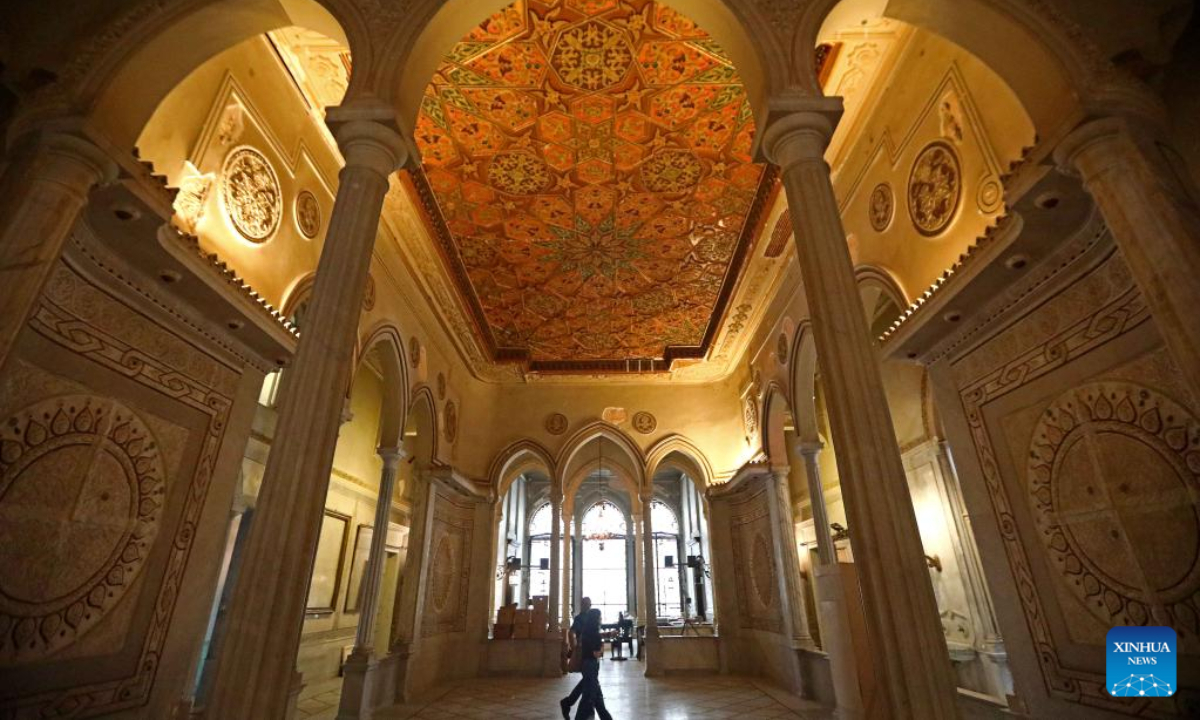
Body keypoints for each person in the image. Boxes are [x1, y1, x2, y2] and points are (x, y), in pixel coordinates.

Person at [574, 607, 612, 720]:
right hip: (591, 666)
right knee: (589, 698)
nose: (601, 619)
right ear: (596, 619)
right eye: (600, 617)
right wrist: (603, 648)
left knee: (595, 697)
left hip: (586, 665)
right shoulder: (595, 634)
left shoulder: (586, 632)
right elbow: (596, 654)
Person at [560, 597, 592, 719]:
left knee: (588, 681)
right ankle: (585, 712)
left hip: (590, 653)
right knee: (590, 681)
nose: (587, 606)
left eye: (589, 604)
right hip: (584, 653)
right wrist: (575, 648)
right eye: (585, 604)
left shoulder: (590, 617)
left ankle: (568, 703)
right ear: (582, 605)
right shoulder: (580, 618)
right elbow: (571, 632)